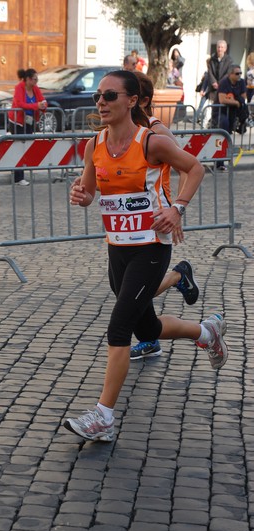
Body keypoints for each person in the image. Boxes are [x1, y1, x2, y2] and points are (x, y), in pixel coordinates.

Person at [63, 70, 228, 442]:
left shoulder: (151, 142)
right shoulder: (95, 145)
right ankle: (207, 332)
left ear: (132, 100)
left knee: (119, 327)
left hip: (152, 247)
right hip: (117, 247)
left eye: (109, 96)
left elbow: (195, 168)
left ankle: (103, 416)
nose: (101, 103)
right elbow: (89, 190)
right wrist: (82, 196)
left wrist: (177, 209)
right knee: (147, 328)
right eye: (98, 98)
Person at [129, 71, 199, 359]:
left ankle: (176, 277)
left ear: (142, 100)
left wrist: (177, 209)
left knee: (130, 293)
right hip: (129, 225)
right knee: (127, 287)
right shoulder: (123, 132)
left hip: (157, 220)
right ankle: (150, 336)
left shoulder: (158, 133)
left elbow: (188, 168)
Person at [8, 68, 47, 186]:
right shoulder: (19, 88)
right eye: (35, 79)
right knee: (19, 148)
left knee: (25, 148)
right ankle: (18, 177)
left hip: (29, 122)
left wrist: (43, 105)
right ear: (28, 79)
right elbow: (20, 104)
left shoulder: (35, 88)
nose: (36, 82)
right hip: (17, 122)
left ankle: (18, 173)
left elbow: (43, 101)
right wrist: (37, 105)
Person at [213, 64, 247, 170]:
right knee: (222, 136)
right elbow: (222, 100)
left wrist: (234, 101)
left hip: (232, 113)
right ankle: (219, 163)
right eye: (237, 73)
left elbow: (243, 97)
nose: (239, 75)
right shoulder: (224, 82)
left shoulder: (241, 82)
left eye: (240, 73)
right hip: (220, 113)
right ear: (230, 74)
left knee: (227, 136)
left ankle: (222, 161)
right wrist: (236, 102)